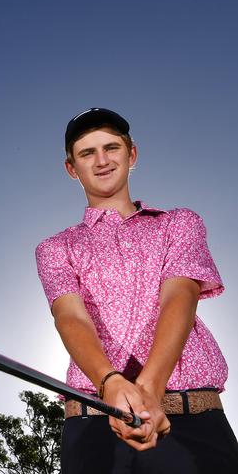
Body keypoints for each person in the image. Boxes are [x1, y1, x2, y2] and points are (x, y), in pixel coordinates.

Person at [35, 108, 238, 473]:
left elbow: (180, 297)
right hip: (94, 426)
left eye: (111, 147)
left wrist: (150, 389)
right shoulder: (55, 248)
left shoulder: (179, 223)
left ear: (132, 155)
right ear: (71, 168)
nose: (101, 160)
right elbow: (69, 316)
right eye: (86, 152)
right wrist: (109, 381)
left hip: (191, 419)